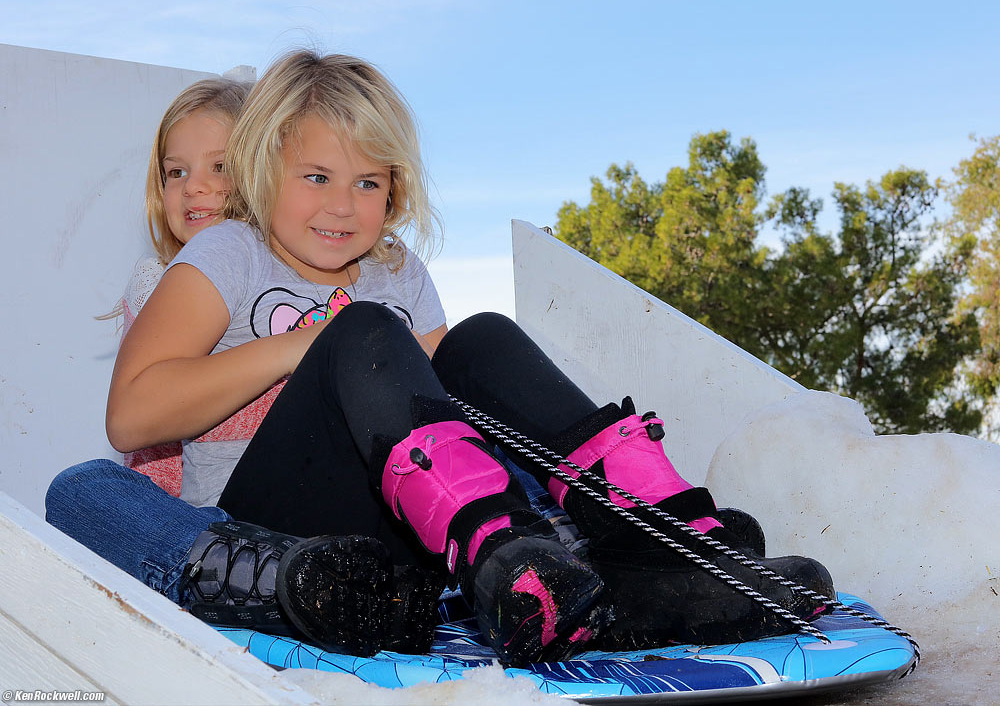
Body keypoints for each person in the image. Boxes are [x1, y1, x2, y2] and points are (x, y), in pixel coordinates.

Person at [49, 50, 835, 667]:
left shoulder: (398, 271)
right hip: (275, 526)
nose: (341, 205)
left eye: (367, 183)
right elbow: (132, 413)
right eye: (316, 177)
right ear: (262, 168)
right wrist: (307, 343)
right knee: (90, 484)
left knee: (479, 338)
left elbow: (447, 417)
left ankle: (648, 551)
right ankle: (482, 562)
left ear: (395, 188)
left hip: (401, 553)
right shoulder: (230, 252)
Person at [104, 77, 250, 496]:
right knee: (86, 487)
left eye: (220, 167)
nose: (193, 187)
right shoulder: (156, 279)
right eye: (176, 172)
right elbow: (150, 438)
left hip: (272, 495)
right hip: (175, 503)